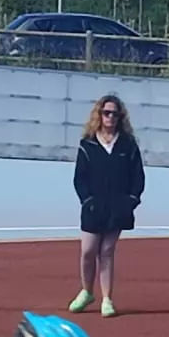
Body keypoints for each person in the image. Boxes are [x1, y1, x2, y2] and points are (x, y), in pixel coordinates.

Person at [69, 94, 144, 319]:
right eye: (106, 113)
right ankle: (86, 291)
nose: (110, 117)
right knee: (88, 251)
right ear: (99, 115)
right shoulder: (88, 144)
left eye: (115, 114)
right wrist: (87, 200)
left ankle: (107, 299)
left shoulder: (128, 145)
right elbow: (79, 178)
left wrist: (131, 200)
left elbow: (138, 176)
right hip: (93, 207)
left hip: (118, 207)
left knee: (107, 252)